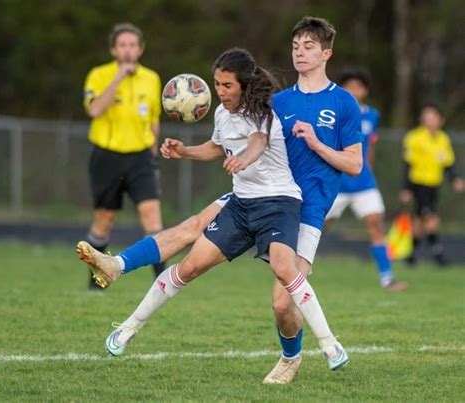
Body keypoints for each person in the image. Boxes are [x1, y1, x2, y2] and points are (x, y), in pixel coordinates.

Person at [77, 17, 362, 384]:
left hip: (304, 206)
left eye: (308, 47)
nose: (300, 53)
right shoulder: (275, 101)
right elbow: (238, 138)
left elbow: (353, 164)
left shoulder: (343, 103)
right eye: (295, 46)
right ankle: (117, 265)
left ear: (326, 53)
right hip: (254, 191)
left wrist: (316, 143)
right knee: (192, 228)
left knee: (281, 301)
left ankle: (293, 356)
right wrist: (191, 150)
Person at [82, 23, 165, 289]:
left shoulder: (151, 78)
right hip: (107, 156)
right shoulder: (98, 75)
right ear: (113, 49)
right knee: (104, 221)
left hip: (141, 157)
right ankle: (96, 282)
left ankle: (163, 283)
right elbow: (94, 110)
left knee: (152, 217)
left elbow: (153, 121)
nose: (128, 50)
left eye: (132, 45)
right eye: (122, 45)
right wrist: (118, 78)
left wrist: (153, 159)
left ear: (140, 49)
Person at [324, 68, 408, 291]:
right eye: (349, 86)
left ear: (364, 91)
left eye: (358, 87)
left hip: (364, 183)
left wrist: (367, 169)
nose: (353, 90)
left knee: (376, 224)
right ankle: (294, 275)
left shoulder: (373, 115)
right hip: (338, 182)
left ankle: (387, 278)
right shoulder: (332, 113)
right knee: (318, 227)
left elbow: (369, 147)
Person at [400, 104, 464, 266]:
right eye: (426, 115)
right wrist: (406, 188)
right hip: (418, 183)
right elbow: (408, 164)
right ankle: (437, 252)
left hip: (434, 184)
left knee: (421, 219)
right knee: (431, 217)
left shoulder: (443, 139)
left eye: (433, 115)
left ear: (440, 120)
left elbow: (447, 162)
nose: (429, 118)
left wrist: (455, 179)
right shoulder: (414, 137)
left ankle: (411, 254)